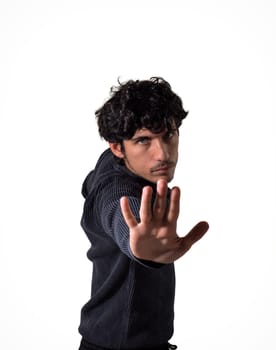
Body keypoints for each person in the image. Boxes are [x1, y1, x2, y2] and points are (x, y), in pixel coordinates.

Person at [78, 77, 209, 350]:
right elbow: (118, 207)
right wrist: (141, 249)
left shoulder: (110, 162)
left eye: (168, 135)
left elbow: (91, 182)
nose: (162, 154)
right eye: (143, 141)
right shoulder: (119, 190)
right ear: (117, 147)